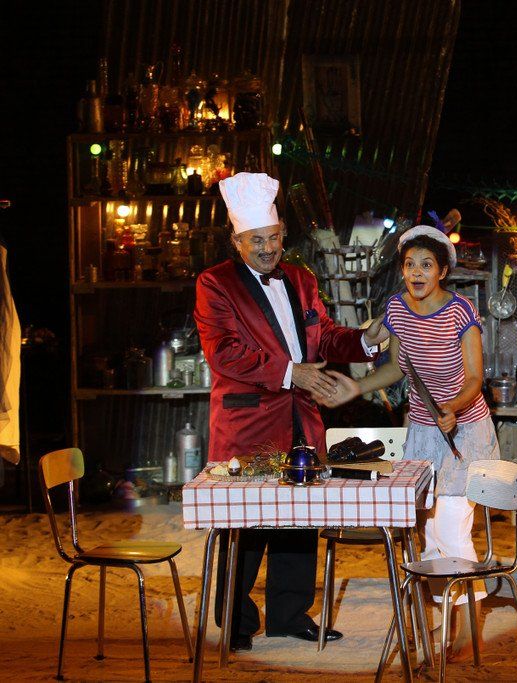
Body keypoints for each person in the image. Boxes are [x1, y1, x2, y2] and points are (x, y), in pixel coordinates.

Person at [193, 172, 388, 651]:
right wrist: (290, 373)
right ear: (237, 241)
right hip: (247, 423)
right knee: (246, 525)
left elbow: (324, 336)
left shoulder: (301, 279)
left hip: (302, 419)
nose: (268, 249)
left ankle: (289, 615)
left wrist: (364, 340)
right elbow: (224, 353)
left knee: (300, 520)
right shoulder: (215, 283)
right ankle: (236, 624)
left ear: (283, 234)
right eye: (257, 240)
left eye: (274, 238)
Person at [321, 224, 498, 660]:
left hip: (464, 431)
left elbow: (475, 378)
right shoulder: (398, 309)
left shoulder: (461, 312)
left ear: (442, 271)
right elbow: (398, 367)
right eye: (409, 264)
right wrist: (356, 387)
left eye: (426, 265)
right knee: (427, 531)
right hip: (421, 430)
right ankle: (445, 617)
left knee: (451, 527)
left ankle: (469, 628)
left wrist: (453, 407)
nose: (417, 272)